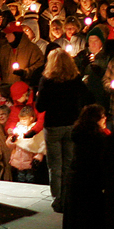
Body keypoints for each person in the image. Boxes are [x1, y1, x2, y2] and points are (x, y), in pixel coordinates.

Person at [35, 48, 91, 212]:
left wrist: (40, 95)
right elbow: (86, 96)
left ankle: (58, 198)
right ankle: (68, 196)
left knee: (55, 165)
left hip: (53, 126)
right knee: (68, 163)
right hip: (71, 124)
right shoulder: (75, 80)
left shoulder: (47, 81)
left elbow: (40, 106)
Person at [62, 104, 110, 229]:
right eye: (103, 116)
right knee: (91, 227)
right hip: (91, 187)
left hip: (76, 184)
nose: (105, 119)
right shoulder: (98, 138)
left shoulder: (79, 134)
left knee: (79, 226)